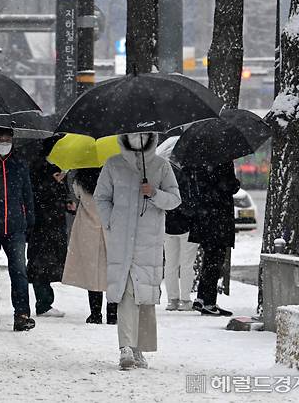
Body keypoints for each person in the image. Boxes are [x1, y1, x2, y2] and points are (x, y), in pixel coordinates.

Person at [95, 132, 180, 370]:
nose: (137, 137)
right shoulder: (113, 164)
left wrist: (153, 193)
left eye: (142, 133)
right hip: (122, 240)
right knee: (126, 293)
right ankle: (125, 346)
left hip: (149, 240)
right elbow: (101, 197)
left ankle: (139, 346)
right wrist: (111, 220)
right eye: (132, 133)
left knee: (144, 296)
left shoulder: (161, 166)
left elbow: (174, 199)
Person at [0, 125, 36, 331]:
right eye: (1, 138)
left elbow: (27, 194)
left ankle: (21, 314)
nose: (5, 142)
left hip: (16, 225)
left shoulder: (19, 164)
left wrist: (30, 220)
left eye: (8, 138)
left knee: (19, 271)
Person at [62, 168, 117, 325]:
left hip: (87, 229)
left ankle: (95, 313)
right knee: (112, 272)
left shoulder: (80, 181)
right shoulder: (112, 179)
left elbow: (77, 195)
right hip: (110, 228)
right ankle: (112, 313)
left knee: (92, 272)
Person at [186, 162, 239, 317]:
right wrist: (235, 183)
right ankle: (209, 302)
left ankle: (202, 298)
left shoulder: (199, 162)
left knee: (209, 259)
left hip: (205, 218)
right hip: (218, 219)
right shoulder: (223, 160)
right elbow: (227, 186)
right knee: (215, 261)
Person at [27, 145, 73, 318]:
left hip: (56, 221)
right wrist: (52, 183)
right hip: (40, 223)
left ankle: (45, 302)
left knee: (50, 262)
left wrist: (67, 201)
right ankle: (43, 302)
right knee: (40, 263)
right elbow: (34, 193)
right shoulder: (37, 167)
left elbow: (61, 192)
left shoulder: (59, 167)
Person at [163, 162, 199, 312]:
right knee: (187, 264)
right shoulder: (192, 173)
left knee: (170, 264)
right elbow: (193, 199)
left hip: (169, 224)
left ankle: (172, 299)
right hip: (188, 225)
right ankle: (185, 300)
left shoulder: (164, 173)